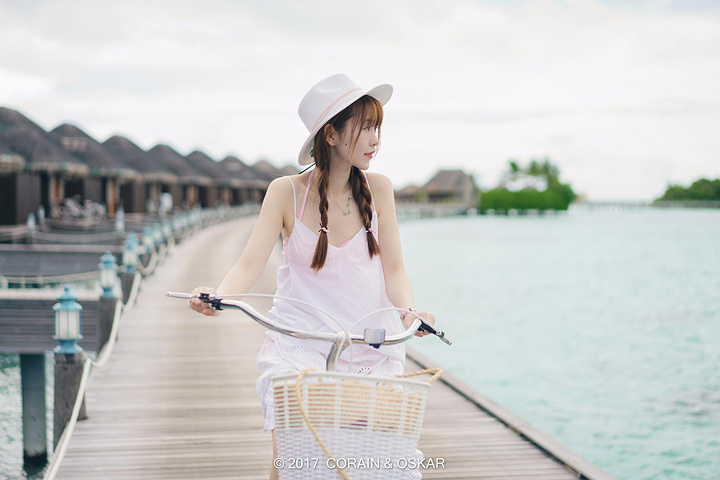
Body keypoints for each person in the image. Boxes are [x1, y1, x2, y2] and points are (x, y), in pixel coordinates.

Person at [189, 73, 436, 479]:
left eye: (377, 128)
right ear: (332, 135)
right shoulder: (285, 191)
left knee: (376, 464)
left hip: (369, 344)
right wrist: (219, 296)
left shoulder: (379, 189)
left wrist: (410, 313)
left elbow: (394, 268)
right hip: (299, 344)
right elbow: (249, 264)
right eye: (365, 128)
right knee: (293, 460)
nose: (375, 139)